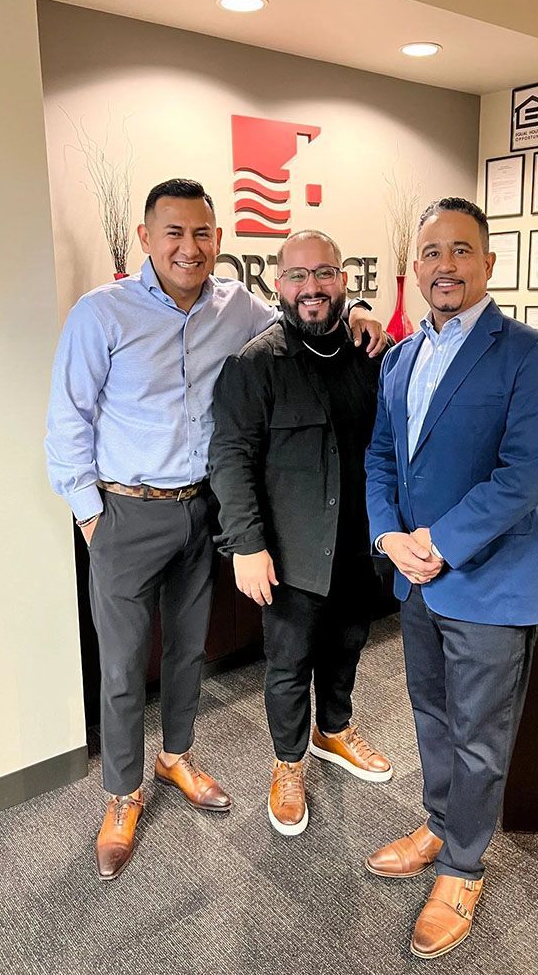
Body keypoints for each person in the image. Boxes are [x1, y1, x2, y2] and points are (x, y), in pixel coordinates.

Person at [45, 180, 385, 880]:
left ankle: (176, 755)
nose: (188, 247)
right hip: (125, 508)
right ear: (145, 238)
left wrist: (358, 315)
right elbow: (67, 420)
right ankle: (121, 793)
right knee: (120, 664)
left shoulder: (239, 307)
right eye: (173, 232)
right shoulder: (99, 313)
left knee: (186, 653)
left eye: (202, 233)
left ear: (219, 240)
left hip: (202, 509)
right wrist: (90, 513)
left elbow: (305, 306)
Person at [364, 197, 538, 958]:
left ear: (487, 263)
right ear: (413, 268)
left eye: (460, 251)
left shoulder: (530, 354)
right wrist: (389, 534)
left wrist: (440, 543)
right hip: (416, 578)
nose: (444, 265)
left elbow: (529, 474)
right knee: (432, 715)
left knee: (481, 735)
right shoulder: (399, 357)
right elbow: (382, 458)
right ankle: (440, 818)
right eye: (431, 253)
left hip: (489, 580)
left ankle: (462, 864)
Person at [209, 230, 393, 836]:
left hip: (359, 543)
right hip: (289, 552)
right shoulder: (254, 365)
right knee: (288, 663)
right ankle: (288, 764)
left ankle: (332, 730)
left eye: (323, 274)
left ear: (344, 280)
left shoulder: (372, 357)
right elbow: (231, 459)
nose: (310, 288)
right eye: (296, 276)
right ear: (277, 285)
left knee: (346, 646)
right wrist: (246, 545)